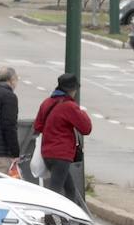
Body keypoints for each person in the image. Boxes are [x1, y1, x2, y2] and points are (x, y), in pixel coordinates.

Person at [33, 73, 92, 210]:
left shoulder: (47, 102)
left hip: (47, 153)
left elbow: (38, 126)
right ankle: (49, 218)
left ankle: (71, 217)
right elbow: (86, 128)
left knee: (70, 189)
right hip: (61, 154)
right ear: (73, 89)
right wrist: (82, 112)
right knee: (55, 190)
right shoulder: (69, 106)